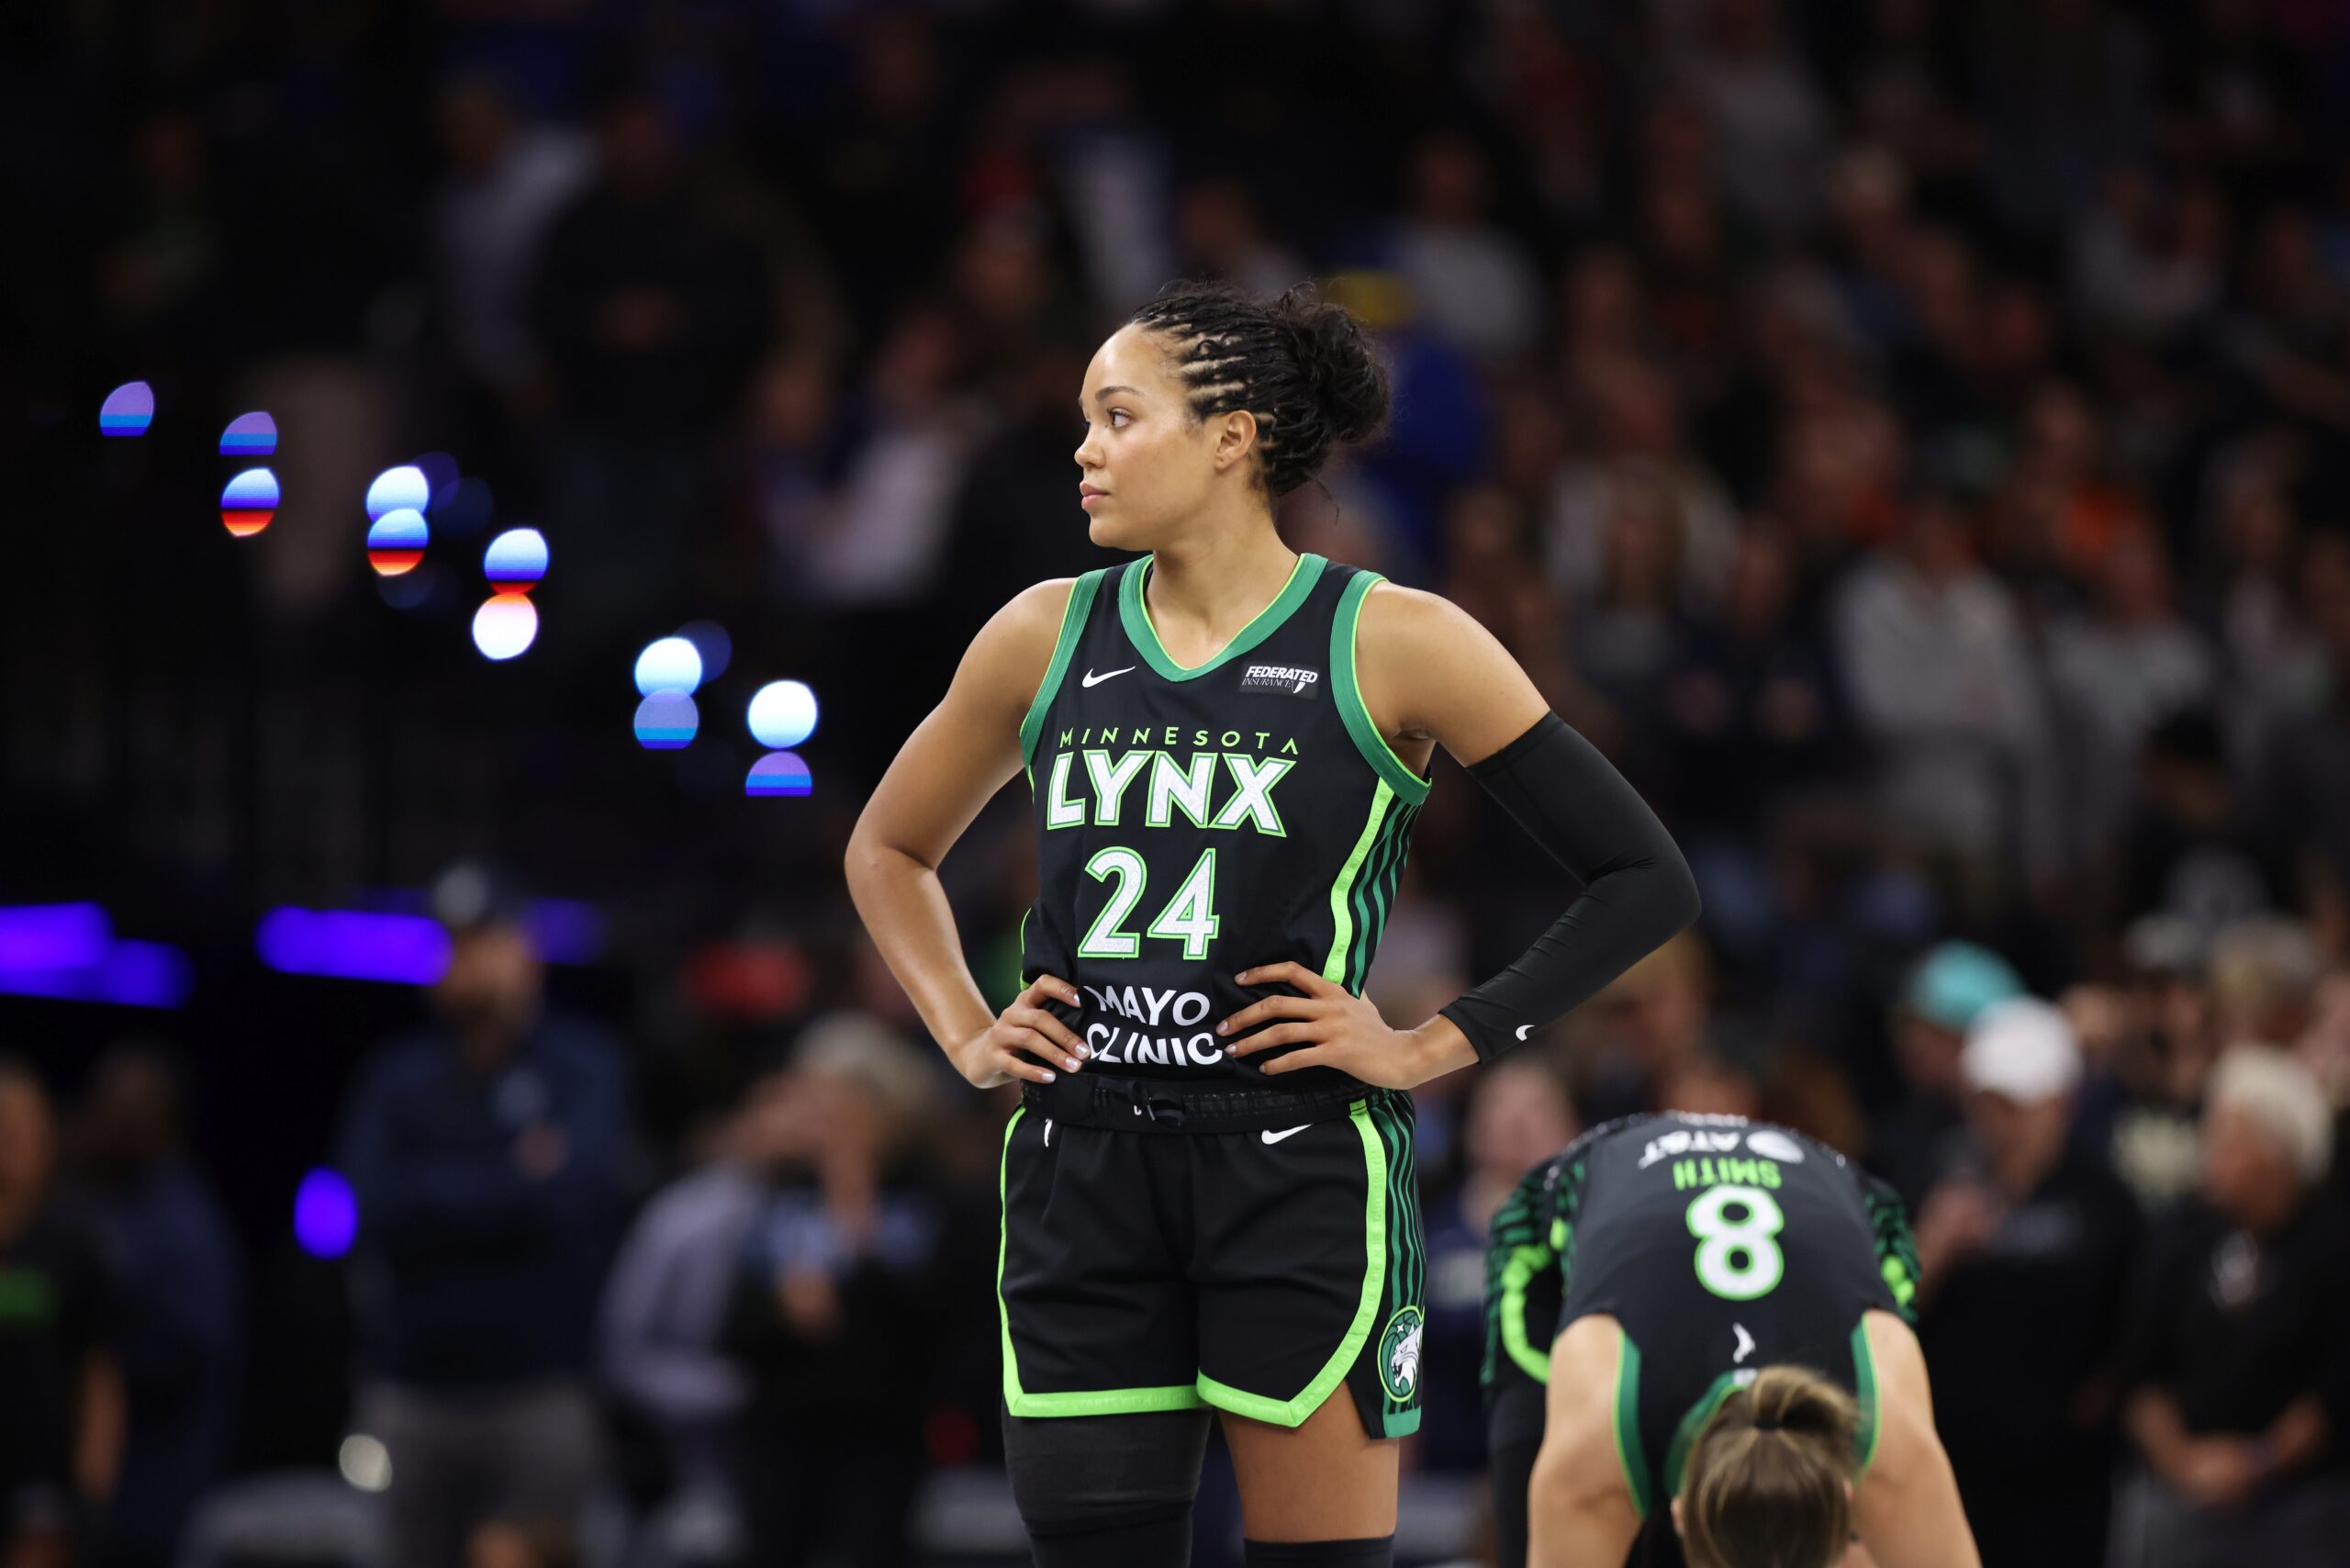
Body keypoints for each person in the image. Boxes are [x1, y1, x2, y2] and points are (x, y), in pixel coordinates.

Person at [845, 278, 1700, 1568]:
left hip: (1292, 1161)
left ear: (1232, 436)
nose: (1085, 447)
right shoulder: (1042, 632)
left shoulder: (1397, 639)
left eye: (1119, 416)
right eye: (1086, 418)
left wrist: (1436, 1044)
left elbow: (1644, 876)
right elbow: (888, 848)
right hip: (1084, 1160)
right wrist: (966, 1032)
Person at [1482, 1111, 1978, 1568]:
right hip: (1594, 1187)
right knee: (1534, 1533)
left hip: (1822, 1188)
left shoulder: (1890, 1437)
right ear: (1678, 1515)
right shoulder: (1599, 1432)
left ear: (1846, 1501)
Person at [337, 864, 630, 1568]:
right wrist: (510, 1180)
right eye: (453, 944)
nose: (466, 961)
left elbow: (574, 1200)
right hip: (414, 1390)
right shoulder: (396, 1076)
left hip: (541, 1390)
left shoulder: (581, 1066)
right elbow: (375, 1210)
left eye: (484, 940)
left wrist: (441, 1196)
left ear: (525, 949)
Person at [1908, 998, 2140, 1568]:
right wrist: (1932, 1248)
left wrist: (2091, 1413)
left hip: (2062, 1484)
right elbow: (1880, 1307)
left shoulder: (2103, 1201)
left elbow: (2135, 1328)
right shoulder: (1938, 1175)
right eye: (1986, 1104)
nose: (1997, 1122)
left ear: (2060, 1101)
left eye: (2014, 1106)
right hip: (1953, 1467)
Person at [2110, 1045, 2350, 1566]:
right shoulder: (2181, 1236)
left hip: (2296, 1506)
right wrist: (2180, 1463)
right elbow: (2139, 1368)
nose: (2209, 1151)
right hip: (2174, 1494)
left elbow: (2335, 1389)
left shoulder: (2332, 1249)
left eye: (2228, 1138)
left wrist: (2257, 1464)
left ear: (2278, 1151)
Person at [73, 1045, 241, 1568]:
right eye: (103, 1102)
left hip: (155, 1489)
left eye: (126, 1107)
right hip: (89, 1482)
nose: (106, 1119)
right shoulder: (90, 1203)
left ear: (161, 1118)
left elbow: (187, 1353)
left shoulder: (185, 1226)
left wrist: (87, 1362)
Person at [0, 1059, 124, 1568]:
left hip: (40, 1486)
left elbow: (101, 1377)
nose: (9, 1140)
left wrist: (90, 1493)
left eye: (22, 1126)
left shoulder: (72, 1246)